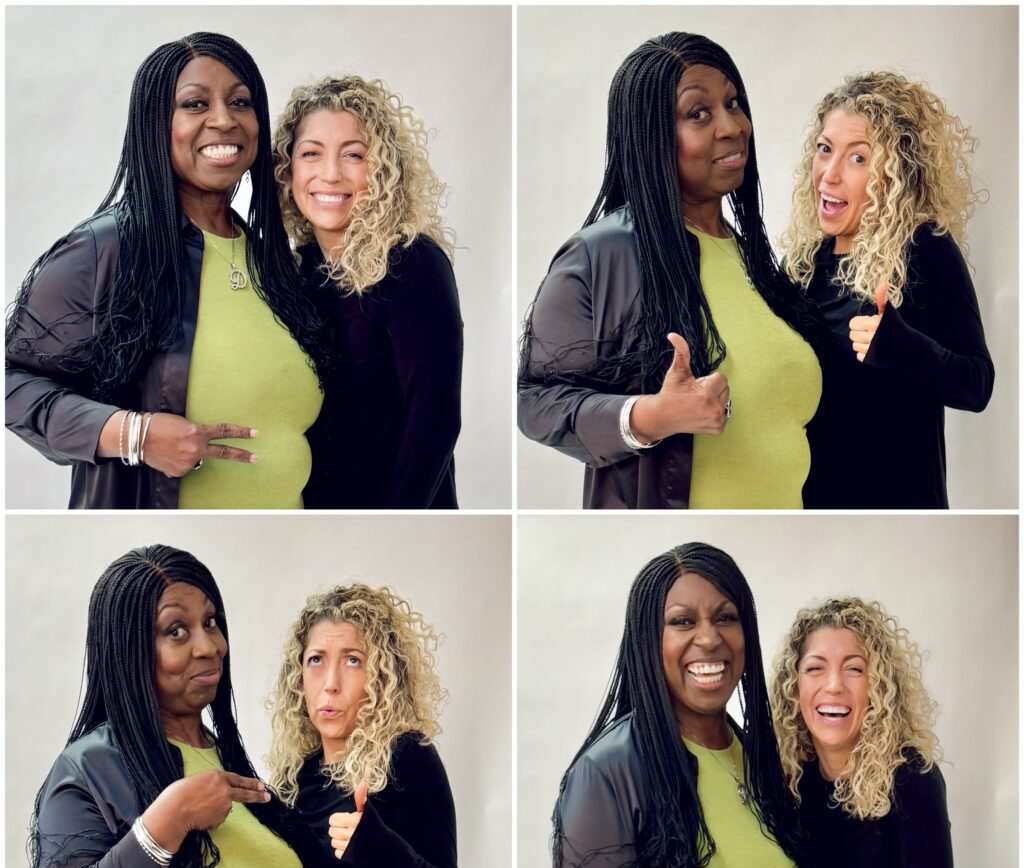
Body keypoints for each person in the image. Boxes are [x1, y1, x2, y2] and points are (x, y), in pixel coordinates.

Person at [6, 32, 335, 509]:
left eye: (239, 102)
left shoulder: (275, 261)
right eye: (195, 104)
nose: (223, 119)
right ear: (156, 125)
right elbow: (12, 382)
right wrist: (133, 434)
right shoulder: (108, 249)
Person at [518, 32, 826, 510]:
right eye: (698, 113)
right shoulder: (602, 255)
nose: (731, 126)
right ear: (651, 135)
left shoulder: (755, 262)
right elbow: (534, 401)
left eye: (733, 103)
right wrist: (651, 415)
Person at [29, 545, 311, 868]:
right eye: (176, 630)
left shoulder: (228, 761)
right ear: (128, 648)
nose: (209, 646)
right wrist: (165, 824)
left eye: (212, 622)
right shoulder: (90, 768)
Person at [548, 543, 812, 868]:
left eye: (725, 618)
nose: (709, 639)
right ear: (649, 640)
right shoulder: (610, 770)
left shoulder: (760, 757)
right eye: (682, 621)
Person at [782, 72, 994, 509]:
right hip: (812, 506)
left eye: (858, 159)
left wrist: (903, 347)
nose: (830, 175)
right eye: (825, 150)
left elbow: (977, 385)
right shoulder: (804, 264)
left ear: (895, 173)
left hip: (899, 498)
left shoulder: (924, 248)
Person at [770, 597, 975, 868]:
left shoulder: (912, 778)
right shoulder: (793, 784)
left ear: (879, 688)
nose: (833, 685)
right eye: (815, 668)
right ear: (794, 688)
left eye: (855, 668)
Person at [268, 584, 459, 868]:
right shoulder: (292, 780)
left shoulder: (408, 757)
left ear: (382, 674)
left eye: (353, 661)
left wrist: (380, 848)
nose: (330, 684)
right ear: (299, 674)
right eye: (316, 660)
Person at [272, 76, 463, 509]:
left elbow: (435, 423)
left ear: (381, 168)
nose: (331, 173)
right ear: (287, 169)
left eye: (353, 155)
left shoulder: (413, 263)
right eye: (311, 154)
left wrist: (397, 519)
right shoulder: (296, 270)